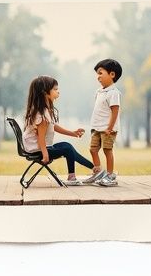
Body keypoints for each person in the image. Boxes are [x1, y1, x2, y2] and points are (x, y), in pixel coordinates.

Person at [22, 75, 93, 186]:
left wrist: (73, 133)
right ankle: (75, 176)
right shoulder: (43, 114)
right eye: (55, 89)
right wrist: (45, 155)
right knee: (68, 149)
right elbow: (41, 137)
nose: (58, 92)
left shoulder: (45, 110)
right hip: (38, 150)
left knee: (66, 145)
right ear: (45, 93)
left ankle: (93, 169)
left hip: (39, 148)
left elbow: (53, 126)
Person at [82, 58, 123, 187]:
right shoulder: (99, 92)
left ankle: (110, 175)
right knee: (93, 149)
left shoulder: (113, 93)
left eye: (100, 73)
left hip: (107, 128)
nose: (98, 77)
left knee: (107, 150)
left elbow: (115, 112)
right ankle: (98, 173)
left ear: (112, 74)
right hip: (96, 128)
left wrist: (110, 127)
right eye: (97, 74)